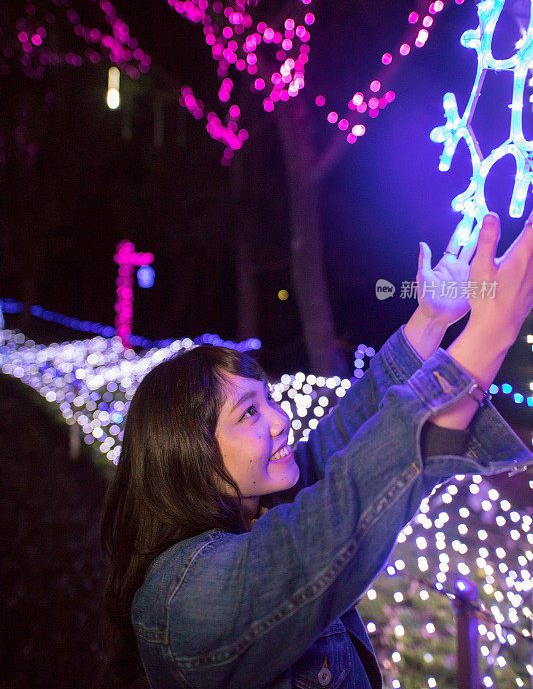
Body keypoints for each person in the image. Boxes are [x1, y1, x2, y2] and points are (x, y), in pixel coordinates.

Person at [100, 212, 533, 689]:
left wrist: (431, 320)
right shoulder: (182, 598)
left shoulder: (256, 508)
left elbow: (352, 424)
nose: (281, 419)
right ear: (192, 457)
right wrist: (487, 337)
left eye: (267, 399)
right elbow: (333, 523)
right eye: (249, 413)